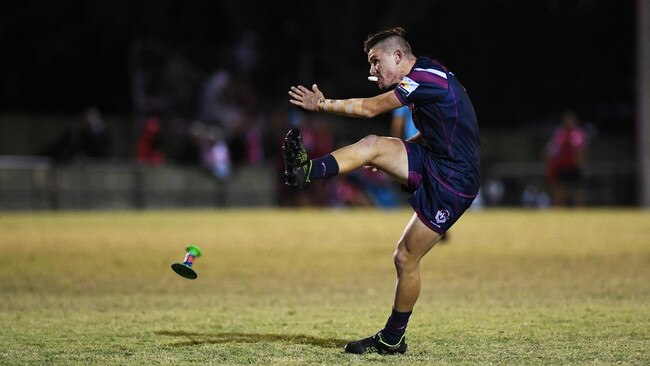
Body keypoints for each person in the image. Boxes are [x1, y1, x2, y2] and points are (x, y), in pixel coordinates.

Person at [284, 27, 480, 355]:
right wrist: (396, 153)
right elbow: (444, 131)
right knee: (374, 145)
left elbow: (370, 108)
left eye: (376, 62)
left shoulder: (425, 78)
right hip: (435, 159)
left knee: (405, 257)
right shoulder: (426, 71)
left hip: (454, 180)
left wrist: (321, 105)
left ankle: (392, 339)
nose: (372, 70)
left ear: (398, 56)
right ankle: (308, 170)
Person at [544, 110, 588, 207]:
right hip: (562, 166)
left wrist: (579, 164)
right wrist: (551, 163)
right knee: (560, 189)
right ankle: (559, 208)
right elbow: (553, 149)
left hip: (574, 166)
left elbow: (580, 150)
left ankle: (579, 208)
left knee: (577, 189)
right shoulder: (560, 134)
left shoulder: (577, 134)